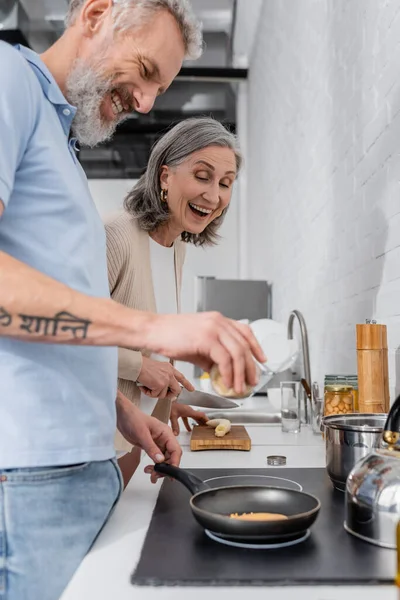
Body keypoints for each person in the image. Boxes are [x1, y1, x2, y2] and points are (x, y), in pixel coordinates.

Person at [0, 1, 265, 599]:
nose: (146, 102)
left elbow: (58, 328)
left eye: (159, 87)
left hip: (80, 463)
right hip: (31, 472)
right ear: (96, 13)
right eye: (145, 70)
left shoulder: (60, 137)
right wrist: (149, 332)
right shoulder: (8, 81)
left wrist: (124, 416)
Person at [106, 117, 241, 484]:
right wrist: (140, 368)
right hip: (96, 445)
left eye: (225, 183)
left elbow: (148, 345)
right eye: (202, 176)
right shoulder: (114, 235)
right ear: (165, 177)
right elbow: (64, 337)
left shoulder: (176, 248)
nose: (214, 196)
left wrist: (167, 403)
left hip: (138, 439)